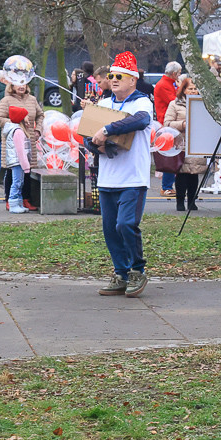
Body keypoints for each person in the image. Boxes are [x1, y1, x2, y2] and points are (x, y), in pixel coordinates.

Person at [85, 51, 154, 298]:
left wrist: (106, 128)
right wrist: (96, 144)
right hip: (107, 179)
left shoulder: (142, 102)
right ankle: (121, 273)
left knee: (126, 224)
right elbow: (87, 136)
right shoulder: (104, 104)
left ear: (133, 79)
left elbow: (141, 121)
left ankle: (137, 269)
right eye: (111, 76)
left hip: (133, 179)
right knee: (110, 229)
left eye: (119, 76)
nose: (113, 80)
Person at [0, 79, 44, 211]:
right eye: (18, 83)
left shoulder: (32, 100)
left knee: (27, 170)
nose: (21, 86)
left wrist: (38, 130)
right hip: (13, 140)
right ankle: (10, 199)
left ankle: (25, 199)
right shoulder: (6, 100)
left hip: (29, 140)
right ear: (12, 85)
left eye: (23, 83)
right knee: (13, 170)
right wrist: (16, 120)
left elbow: (40, 115)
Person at [163, 78, 209, 212]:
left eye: (195, 89)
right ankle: (180, 202)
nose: (193, 91)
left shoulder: (203, 104)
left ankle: (192, 201)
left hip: (197, 143)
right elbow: (167, 124)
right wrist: (182, 124)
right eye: (190, 89)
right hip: (181, 143)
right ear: (183, 90)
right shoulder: (174, 104)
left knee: (194, 173)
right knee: (182, 174)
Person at [153, 61, 182, 198]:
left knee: (173, 154)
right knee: (170, 156)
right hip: (166, 124)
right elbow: (175, 101)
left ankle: (169, 186)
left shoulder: (167, 84)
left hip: (167, 122)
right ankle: (167, 186)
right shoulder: (165, 85)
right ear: (175, 73)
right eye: (179, 73)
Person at [3, 106, 31, 213]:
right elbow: (20, 151)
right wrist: (26, 166)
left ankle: (18, 203)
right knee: (17, 183)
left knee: (20, 182)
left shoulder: (17, 130)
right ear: (21, 118)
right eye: (26, 116)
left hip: (18, 162)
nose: (28, 118)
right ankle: (13, 203)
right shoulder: (18, 131)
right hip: (18, 162)